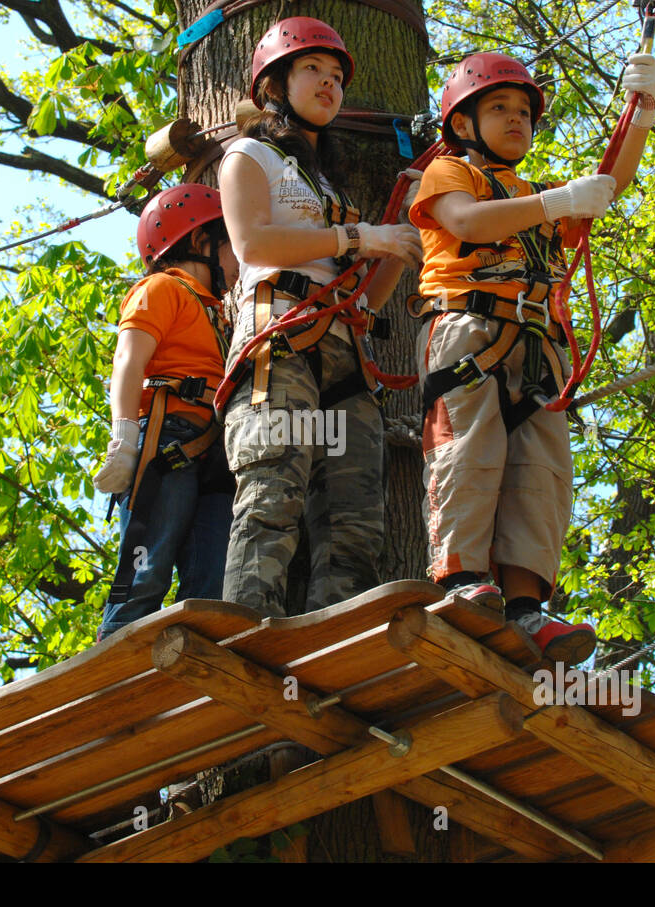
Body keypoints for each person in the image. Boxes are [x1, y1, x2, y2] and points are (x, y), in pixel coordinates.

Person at [408, 51, 655, 663]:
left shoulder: (533, 196)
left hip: (538, 347)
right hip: (469, 331)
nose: (517, 119)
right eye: (499, 108)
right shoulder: (449, 173)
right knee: (468, 453)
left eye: (524, 111)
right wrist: (554, 203)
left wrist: (643, 113)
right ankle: (463, 581)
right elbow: (466, 222)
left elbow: (611, 183)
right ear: (463, 124)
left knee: (541, 476)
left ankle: (526, 606)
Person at [217, 16, 422, 618]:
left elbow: (367, 302)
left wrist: (395, 239)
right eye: (312, 70)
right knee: (272, 489)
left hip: (344, 358)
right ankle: (245, 633)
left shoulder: (329, 187)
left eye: (336, 76)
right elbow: (253, 245)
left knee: (354, 520)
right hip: (279, 342)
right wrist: (361, 234)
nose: (330, 84)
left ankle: (337, 648)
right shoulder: (248, 155)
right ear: (274, 84)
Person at [93, 184, 239, 641]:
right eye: (230, 242)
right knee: (146, 572)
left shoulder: (222, 317)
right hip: (167, 441)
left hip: (215, 454)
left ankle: (195, 668)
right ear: (200, 243)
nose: (239, 256)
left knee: (214, 585)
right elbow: (129, 360)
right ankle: (111, 672)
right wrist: (124, 435)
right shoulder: (161, 289)